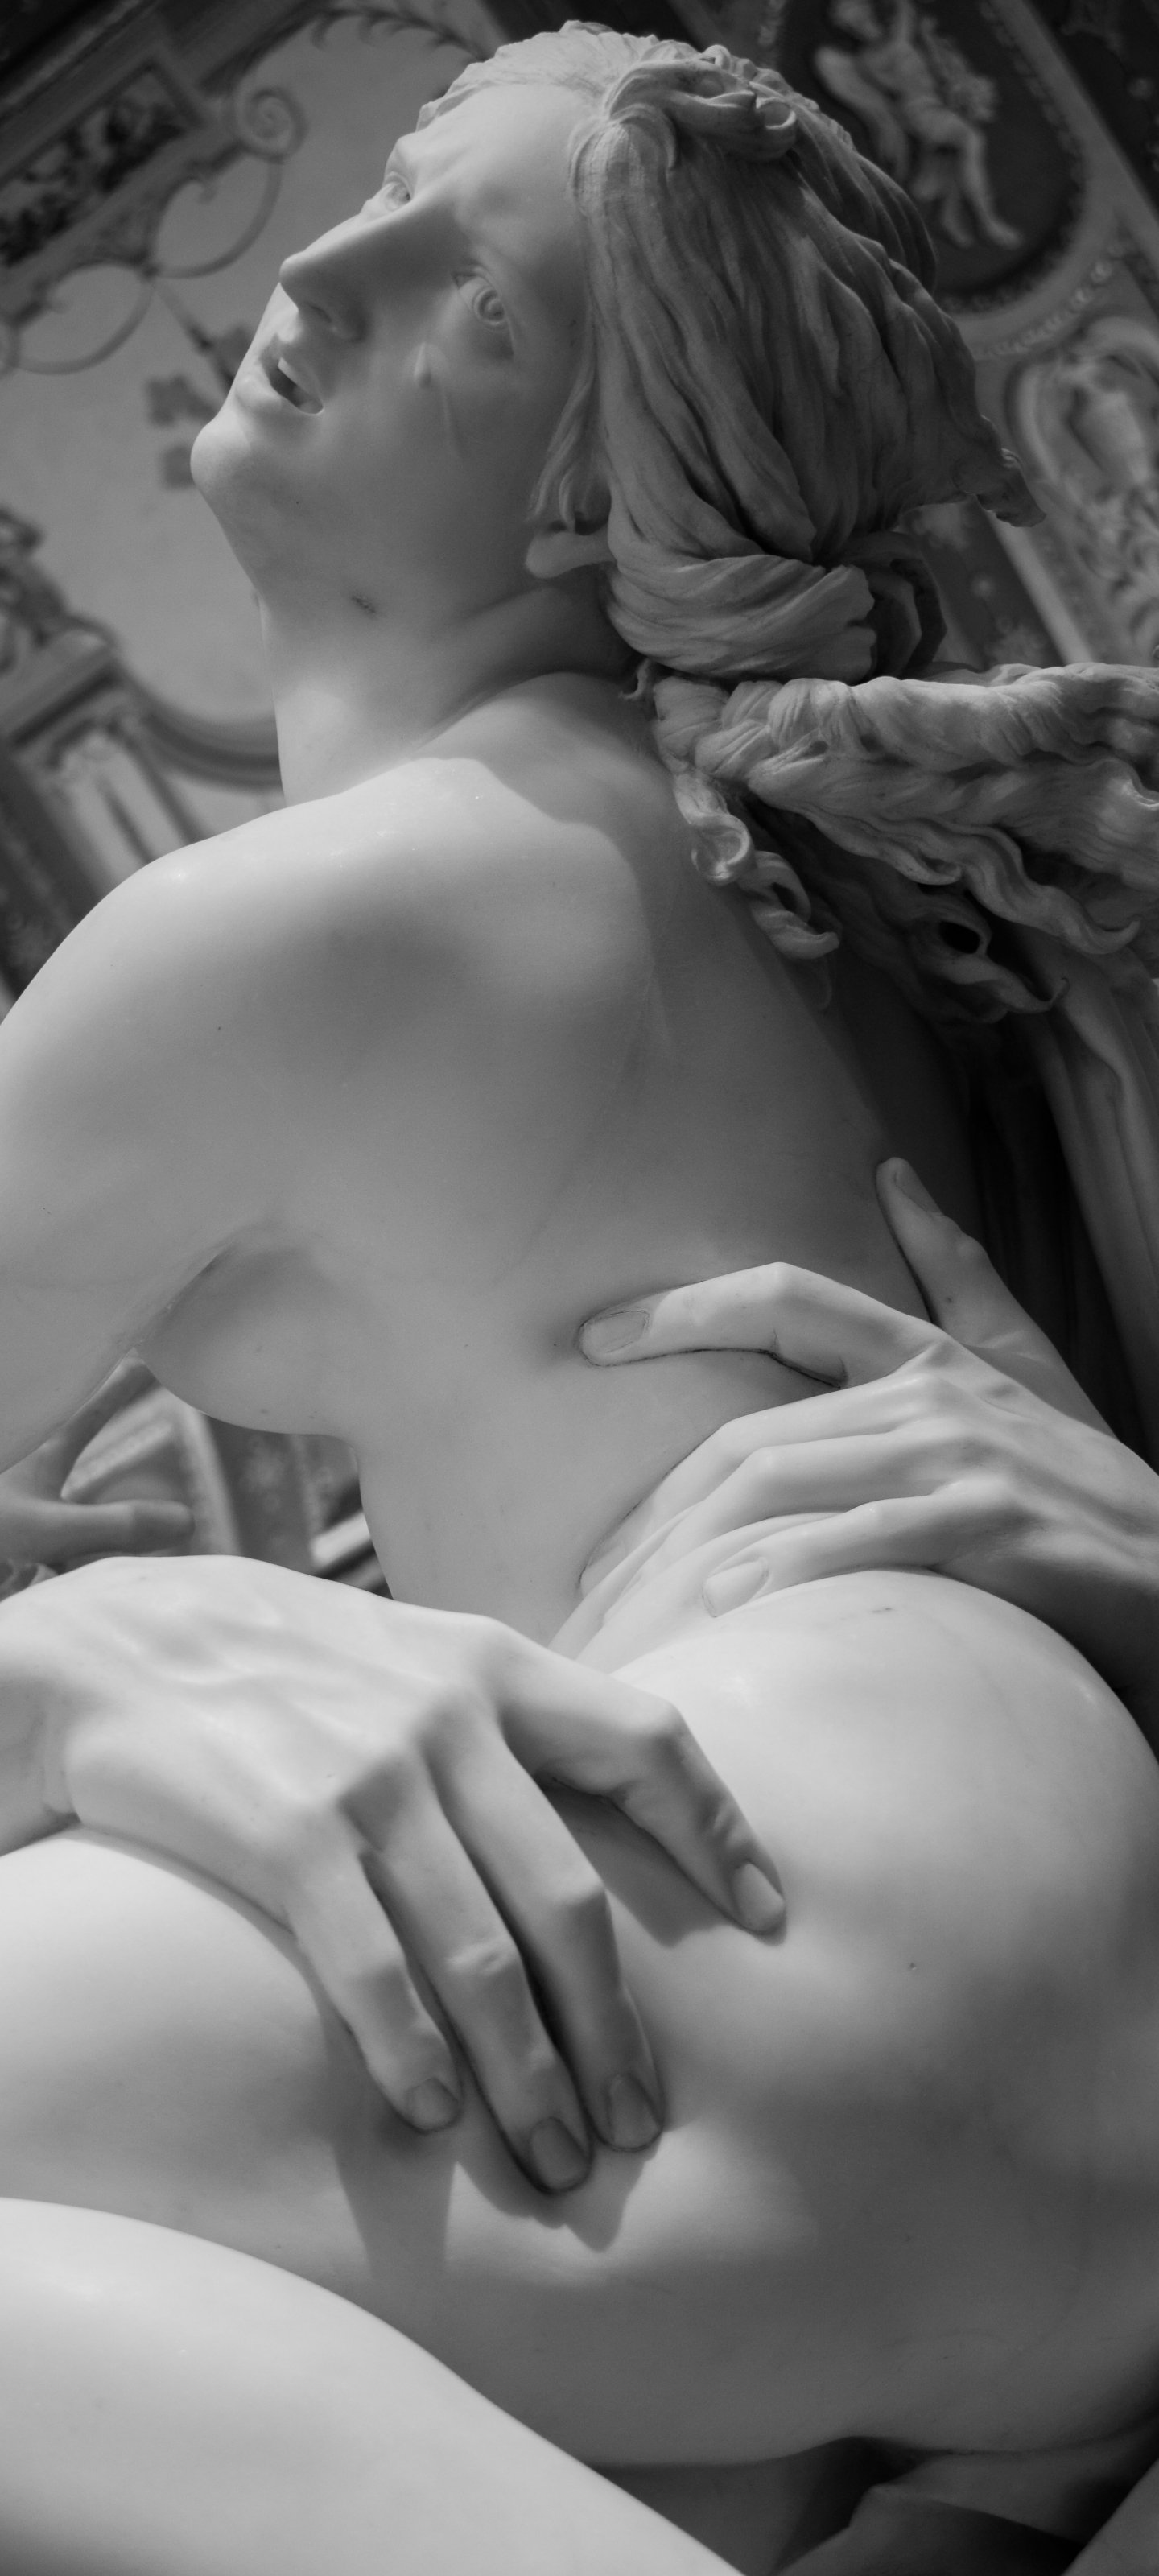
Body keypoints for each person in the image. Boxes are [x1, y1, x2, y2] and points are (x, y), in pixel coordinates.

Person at [2, 24, 1159, 2571]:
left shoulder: (339, 904)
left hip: (774, 1886)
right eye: (396, 182)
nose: (330, 263)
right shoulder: (801, 905)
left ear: (590, 499)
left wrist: (60, 1668)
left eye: (480, 301)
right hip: (1042, 1960)